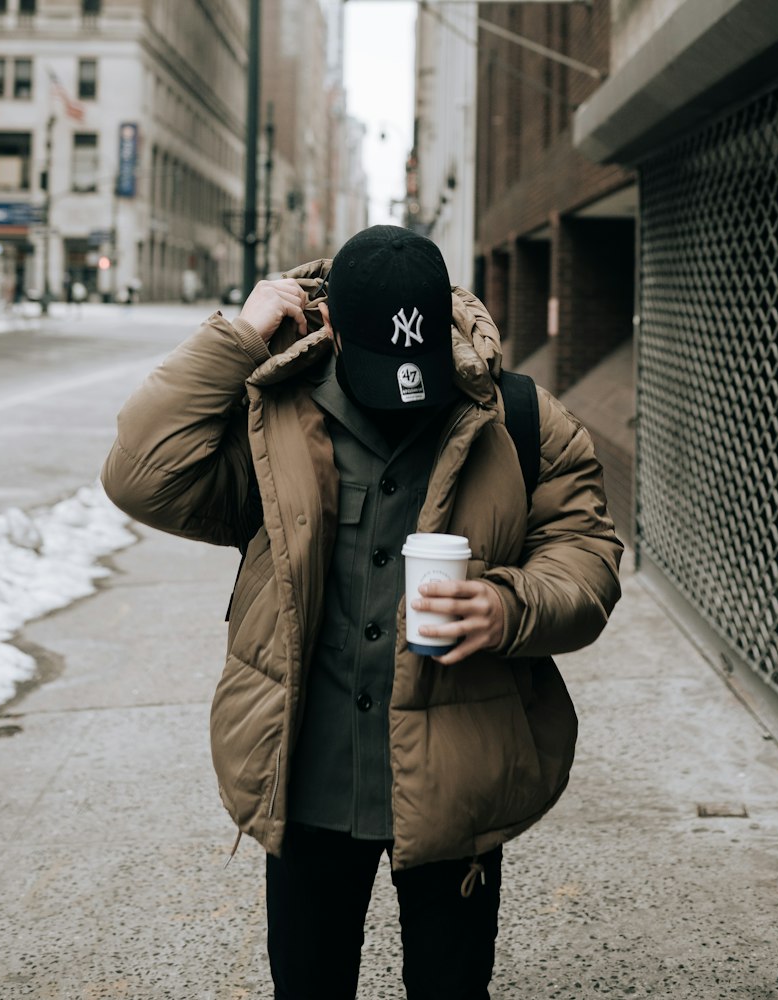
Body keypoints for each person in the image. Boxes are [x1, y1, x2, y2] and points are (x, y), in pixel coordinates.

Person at [101, 225, 622, 999]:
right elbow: (140, 476)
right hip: (308, 776)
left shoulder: (519, 417)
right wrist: (236, 340)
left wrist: (507, 606)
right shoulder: (271, 414)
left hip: (459, 777)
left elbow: (586, 555)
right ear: (334, 325)